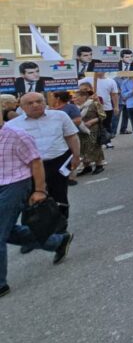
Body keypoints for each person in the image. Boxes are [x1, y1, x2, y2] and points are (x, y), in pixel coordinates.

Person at [1, 119, 74, 298]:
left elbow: (36, 162)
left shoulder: (17, 135)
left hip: (15, 184)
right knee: (7, 232)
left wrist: (40, 190)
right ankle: (57, 241)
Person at [6, 93, 80, 222]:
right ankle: (37, 227)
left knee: (59, 196)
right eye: (30, 103)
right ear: (21, 107)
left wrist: (76, 156)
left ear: (45, 102)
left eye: (39, 101)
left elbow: (71, 136)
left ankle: (61, 226)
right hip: (30, 167)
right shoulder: (12, 125)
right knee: (34, 199)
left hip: (58, 162)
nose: (35, 105)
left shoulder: (60, 116)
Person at [73, 86, 105, 176]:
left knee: (94, 147)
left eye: (76, 97)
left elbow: (103, 115)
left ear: (83, 97)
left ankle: (99, 165)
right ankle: (87, 166)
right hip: (80, 130)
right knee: (82, 148)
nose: (74, 99)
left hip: (93, 129)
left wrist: (92, 121)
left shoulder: (94, 104)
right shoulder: (75, 107)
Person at [82, 71, 118, 147]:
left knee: (106, 124)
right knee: (95, 125)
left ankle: (107, 141)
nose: (100, 71)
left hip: (107, 107)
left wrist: (116, 106)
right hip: (92, 107)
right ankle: (97, 142)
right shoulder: (87, 79)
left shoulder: (111, 81)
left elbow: (114, 95)